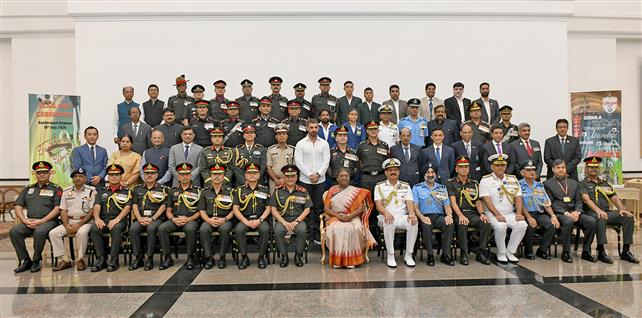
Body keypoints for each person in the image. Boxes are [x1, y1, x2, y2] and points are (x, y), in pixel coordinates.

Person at [579, 156, 638, 263]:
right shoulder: (582, 184)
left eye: (596, 167)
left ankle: (626, 251)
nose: (594, 169)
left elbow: (614, 197)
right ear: (586, 169)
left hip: (606, 211)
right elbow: (586, 199)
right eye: (591, 167)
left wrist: (622, 209)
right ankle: (601, 251)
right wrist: (598, 210)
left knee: (628, 217)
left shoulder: (604, 183)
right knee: (601, 218)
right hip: (591, 212)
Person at [10, 161, 62, 273]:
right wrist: (24, 220)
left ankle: (36, 260)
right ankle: (25, 259)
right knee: (14, 232)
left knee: (39, 231)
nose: (41, 175)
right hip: (30, 221)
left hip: (49, 221)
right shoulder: (28, 189)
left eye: (44, 172)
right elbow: (18, 206)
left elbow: (57, 209)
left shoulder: (56, 189)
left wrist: (41, 221)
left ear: (50, 173)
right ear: (35, 174)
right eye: (39, 173)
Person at [543, 159, 596, 263]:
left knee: (591, 221)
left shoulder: (573, 183)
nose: (560, 170)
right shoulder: (547, 184)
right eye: (558, 168)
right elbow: (550, 203)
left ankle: (586, 251)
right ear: (553, 169)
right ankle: (566, 252)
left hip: (574, 212)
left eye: (563, 167)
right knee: (568, 221)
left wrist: (577, 212)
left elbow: (579, 200)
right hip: (559, 213)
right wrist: (566, 213)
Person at [479, 154, 528, 264]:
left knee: (522, 224)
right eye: (497, 165)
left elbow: (518, 197)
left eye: (502, 165)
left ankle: (510, 252)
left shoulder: (513, 179)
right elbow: (486, 200)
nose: (500, 167)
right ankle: (501, 253)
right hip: (491, 213)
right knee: (500, 226)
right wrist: (497, 215)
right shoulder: (485, 180)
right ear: (492, 167)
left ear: (506, 167)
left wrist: (519, 213)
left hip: (509, 213)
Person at [323, 168, 375, 268]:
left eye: (346, 176)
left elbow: (362, 208)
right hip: (335, 216)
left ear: (349, 178)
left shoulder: (355, 191)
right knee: (336, 229)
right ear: (337, 178)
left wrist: (349, 216)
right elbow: (326, 208)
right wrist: (338, 216)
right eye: (341, 176)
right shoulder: (332, 190)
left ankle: (352, 261)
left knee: (354, 228)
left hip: (353, 216)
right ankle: (338, 261)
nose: (344, 177)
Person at [447, 156, 492, 265]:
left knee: (485, 223)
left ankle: (481, 252)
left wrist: (482, 213)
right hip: (458, 213)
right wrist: (461, 215)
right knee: (462, 224)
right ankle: (464, 252)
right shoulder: (451, 183)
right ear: (456, 169)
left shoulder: (474, 183)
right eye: (461, 167)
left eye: (466, 167)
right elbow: (452, 202)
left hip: (472, 213)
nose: (464, 169)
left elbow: (477, 201)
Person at [49, 168, 96, 271]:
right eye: (75, 177)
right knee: (53, 233)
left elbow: (92, 211)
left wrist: (79, 224)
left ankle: (80, 259)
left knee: (81, 232)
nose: (78, 178)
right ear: (72, 179)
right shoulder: (66, 191)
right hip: (69, 222)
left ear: (85, 178)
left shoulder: (91, 191)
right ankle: (65, 260)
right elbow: (63, 210)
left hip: (86, 222)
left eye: (81, 176)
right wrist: (66, 225)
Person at [374, 159, 418, 268]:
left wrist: (412, 213)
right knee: (389, 222)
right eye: (390, 170)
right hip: (386, 216)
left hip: (402, 216)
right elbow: (378, 205)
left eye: (395, 170)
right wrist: (386, 213)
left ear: (399, 172)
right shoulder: (379, 186)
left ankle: (408, 255)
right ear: (385, 172)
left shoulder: (406, 186)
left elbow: (409, 202)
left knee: (413, 222)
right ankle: (391, 255)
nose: (392, 172)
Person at [158, 163, 202, 270]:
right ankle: (168, 258)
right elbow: (168, 211)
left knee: (190, 229)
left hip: (191, 219)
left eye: (187, 174)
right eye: (182, 174)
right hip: (175, 219)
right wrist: (173, 219)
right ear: (178, 176)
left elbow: (200, 211)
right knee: (162, 229)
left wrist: (189, 219)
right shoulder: (173, 191)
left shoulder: (198, 191)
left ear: (191, 175)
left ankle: (190, 257)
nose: (184, 176)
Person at [89, 164, 133, 272]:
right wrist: (97, 219)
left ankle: (114, 260)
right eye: (111, 174)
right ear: (108, 176)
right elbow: (97, 206)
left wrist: (117, 219)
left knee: (116, 228)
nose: (114, 177)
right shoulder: (102, 191)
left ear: (121, 176)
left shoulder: (126, 191)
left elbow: (127, 208)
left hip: (119, 220)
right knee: (94, 228)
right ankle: (101, 260)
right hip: (103, 219)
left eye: (117, 175)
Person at [294, 119, 331, 241]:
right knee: (305, 207)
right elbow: (298, 162)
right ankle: (305, 234)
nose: (313, 129)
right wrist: (310, 174)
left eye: (316, 127)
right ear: (306, 128)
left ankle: (316, 234)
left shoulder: (324, 144)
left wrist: (318, 174)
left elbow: (326, 161)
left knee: (318, 207)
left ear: (318, 129)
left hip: (320, 181)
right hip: (305, 180)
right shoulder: (300, 144)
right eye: (311, 127)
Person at [128, 163, 169, 271]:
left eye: (152, 173)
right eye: (147, 173)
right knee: (133, 229)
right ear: (143, 175)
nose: (149, 175)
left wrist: (152, 218)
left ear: (156, 175)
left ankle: (149, 258)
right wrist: (139, 218)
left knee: (151, 229)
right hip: (141, 218)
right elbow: (135, 205)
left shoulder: (163, 189)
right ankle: (138, 258)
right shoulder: (137, 189)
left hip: (156, 218)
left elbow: (163, 206)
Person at [412, 164, 455, 266]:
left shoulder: (442, 188)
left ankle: (445, 255)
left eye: (432, 172)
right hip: (425, 216)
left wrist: (449, 216)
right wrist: (422, 217)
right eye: (428, 172)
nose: (430, 175)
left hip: (439, 216)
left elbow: (447, 206)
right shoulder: (417, 188)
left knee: (449, 224)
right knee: (426, 227)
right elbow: (415, 207)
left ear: (436, 175)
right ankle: (430, 255)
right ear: (424, 175)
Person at [271, 165, 313, 267]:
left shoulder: (302, 191)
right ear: (284, 177)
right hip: (283, 219)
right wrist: (283, 222)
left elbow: (307, 209)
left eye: (293, 176)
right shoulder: (277, 191)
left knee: (302, 230)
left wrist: (296, 221)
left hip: (298, 219)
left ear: (297, 177)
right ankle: (284, 255)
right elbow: (273, 209)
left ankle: (298, 255)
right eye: (287, 176)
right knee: (278, 231)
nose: (290, 179)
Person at [232, 163, 271, 269]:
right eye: (249, 173)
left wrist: (260, 220)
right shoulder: (239, 190)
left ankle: (261, 257)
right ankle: (244, 257)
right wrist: (246, 221)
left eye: (255, 173)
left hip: (260, 219)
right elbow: (235, 209)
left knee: (265, 229)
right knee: (239, 230)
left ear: (259, 175)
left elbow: (268, 208)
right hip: (245, 219)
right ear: (245, 175)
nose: (252, 175)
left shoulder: (264, 189)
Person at [198, 164, 235, 269]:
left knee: (224, 229)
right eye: (214, 174)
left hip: (225, 219)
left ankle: (222, 257)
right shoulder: (204, 192)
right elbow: (201, 210)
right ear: (210, 176)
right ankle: (209, 258)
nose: (217, 176)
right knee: (203, 229)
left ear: (223, 176)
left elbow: (234, 209)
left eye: (219, 174)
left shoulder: (231, 192)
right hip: (209, 219)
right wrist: (209, 220)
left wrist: (225, 219)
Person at [266, 124, 295, 193]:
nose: (281, 136)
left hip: (289, 180)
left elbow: (295, 167)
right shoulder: (270, 150)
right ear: (276, 137)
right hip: (274, 181)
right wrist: (276, 180)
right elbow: (268, 167)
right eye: (279, 134)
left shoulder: (293, 150)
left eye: (284, 134)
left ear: (287, 136)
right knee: (274, 200)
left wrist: (285, 179)